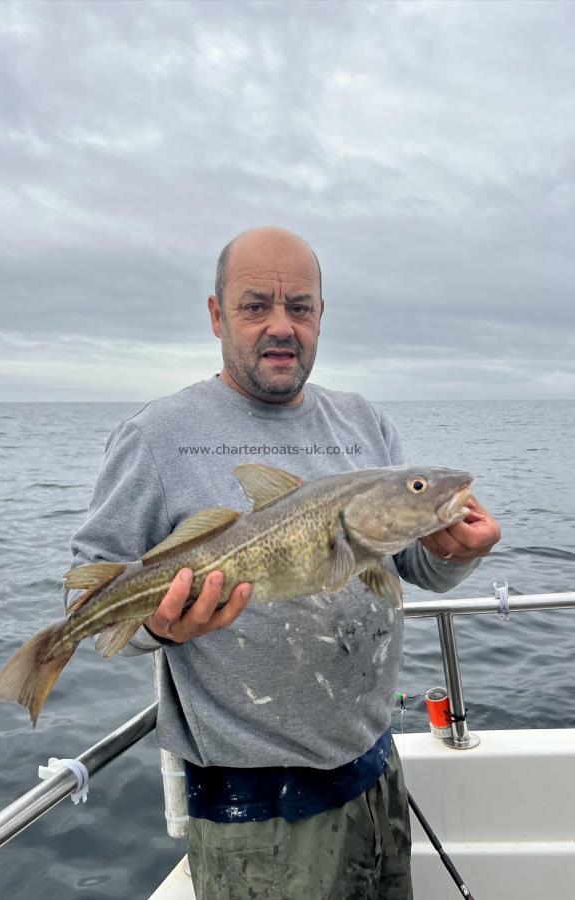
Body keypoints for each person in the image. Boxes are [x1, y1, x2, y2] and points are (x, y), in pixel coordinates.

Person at [69, 226, 501, 899]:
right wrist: (162, 626)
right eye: (254, 306)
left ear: (321, 315)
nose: (281, 327)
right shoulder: (157, 436)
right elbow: (91, 609)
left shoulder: (363, 423)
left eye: (299, 306)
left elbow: (408, 568)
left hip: (372, 769)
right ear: (216, 315)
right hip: (258, 808)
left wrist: (454, 555)